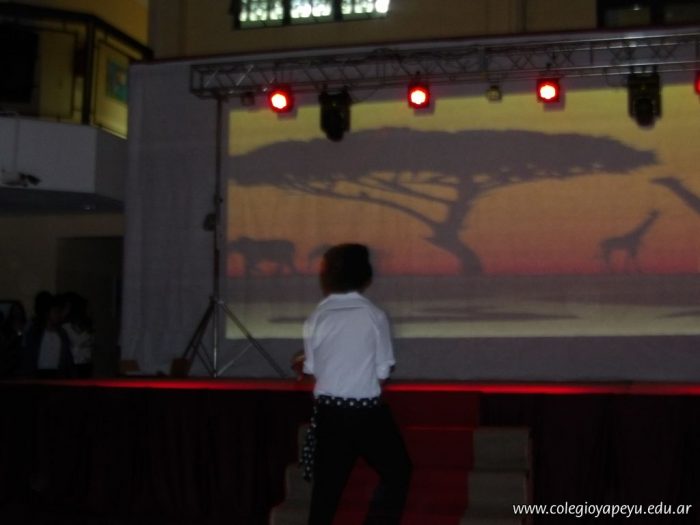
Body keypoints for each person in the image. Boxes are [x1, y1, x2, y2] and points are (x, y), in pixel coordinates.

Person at [299, 243, 412, 525]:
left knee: (325, 494)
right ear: (365, 276)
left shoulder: (316, 316)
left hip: (329, 414)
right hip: (366, 413)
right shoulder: (374, 315)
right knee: (398, 471)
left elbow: (311, 368)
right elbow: (384, 369)